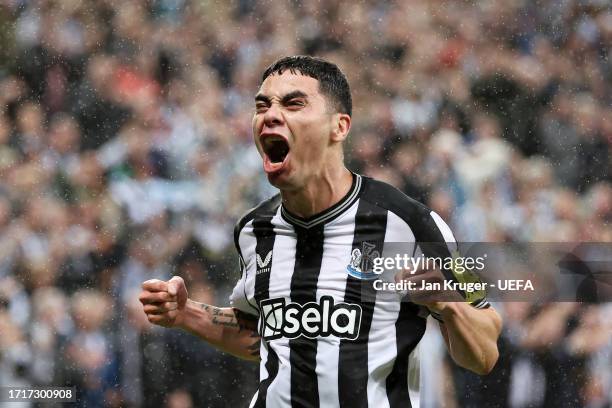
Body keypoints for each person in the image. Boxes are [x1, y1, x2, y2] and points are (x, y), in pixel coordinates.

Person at [139, 56, 502, 407]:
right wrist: (188, 314)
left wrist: (449, 305)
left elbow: (486, 350)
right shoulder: (254, 230)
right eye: (262, 106)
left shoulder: (413, 223)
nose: (271, 115)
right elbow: (265, 334)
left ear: (339, 126)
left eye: (293, 104)